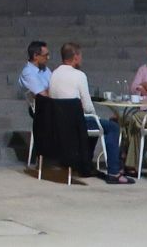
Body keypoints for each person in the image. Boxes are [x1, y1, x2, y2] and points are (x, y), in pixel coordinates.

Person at [48, 41, 133, 184]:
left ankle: (85, 165)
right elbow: (88, 106)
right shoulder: (79, 75)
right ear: (75, 57)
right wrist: (95, 116)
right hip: (77, 122)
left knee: (94, 125)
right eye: (80, 56)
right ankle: (114, 172)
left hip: (59, 122)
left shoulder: (54, 74)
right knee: (112, 127)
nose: (81, 59)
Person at [19, 41, 52, 108]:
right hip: (40, 110)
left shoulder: (45, 69)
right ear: (35, 56)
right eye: (45, 55)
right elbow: (43, 96)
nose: (48, 58)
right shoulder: (28, 73)